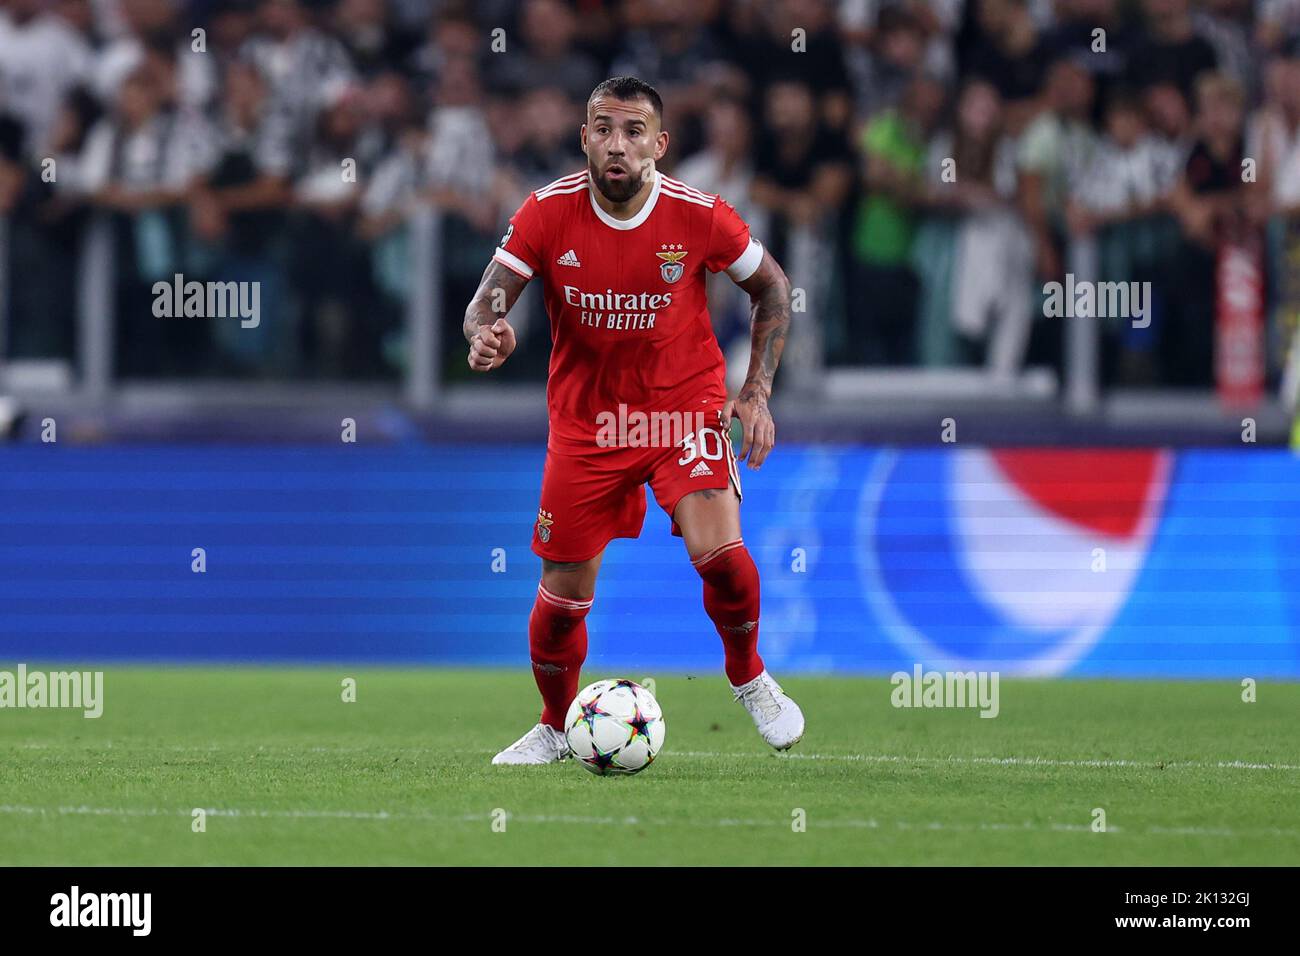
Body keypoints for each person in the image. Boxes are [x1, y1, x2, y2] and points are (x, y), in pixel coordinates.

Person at [462, 76, 803, 764]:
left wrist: (757, 390)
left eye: (633, 131)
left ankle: (748, 674)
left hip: (682, 411)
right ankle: (556, 727)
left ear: (659, 144)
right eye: (604, 129)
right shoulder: (545, 213)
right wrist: (485, 333)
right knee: (560, 601)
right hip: (588, 426)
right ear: (584, 136)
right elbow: (484, 305)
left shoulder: (699, 214)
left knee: (726, 563)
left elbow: (772, 286)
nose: (618, 144)